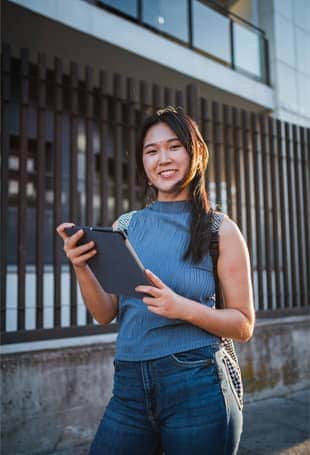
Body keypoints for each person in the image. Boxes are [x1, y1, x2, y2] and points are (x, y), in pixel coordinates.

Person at [56, 106, 255, 455]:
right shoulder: (126, 226)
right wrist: (81, 267)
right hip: (130, 386)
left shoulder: (220, 229)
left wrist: (181, 308)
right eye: (152, 151)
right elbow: (105, 313)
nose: (163, 158)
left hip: (197, 381)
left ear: (195, 154)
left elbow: (242, 324)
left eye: (174, 146)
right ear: (144, 167)